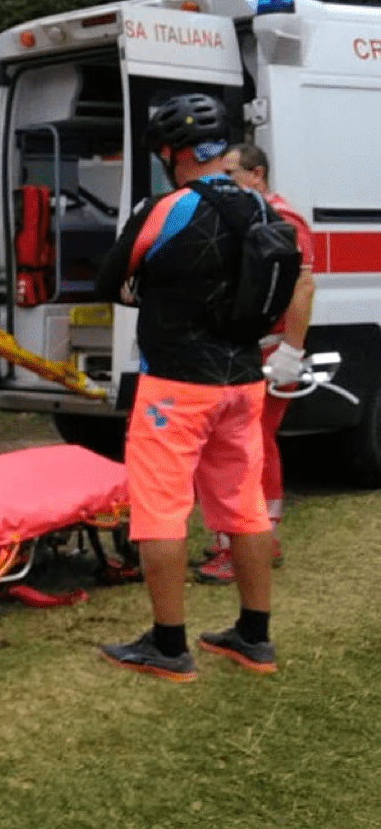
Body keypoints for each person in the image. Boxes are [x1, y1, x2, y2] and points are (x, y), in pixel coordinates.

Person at [92, 93, 277, 680]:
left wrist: (142, 290)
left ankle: (168, 646)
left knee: (162, 513)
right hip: (244, 381)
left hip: (175, 382)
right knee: (244, 507)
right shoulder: (263, 207)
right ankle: (254, 637)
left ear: (173, 154)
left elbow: (108, 279)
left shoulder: (167, 206)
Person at [194, 142, 314, 582]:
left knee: (251, 447)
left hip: (270, 348)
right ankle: (241, 539)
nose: (223, 182)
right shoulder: (249, 216)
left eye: (231, 173)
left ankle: (256, 543)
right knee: (237, 446)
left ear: (257, 174)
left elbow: (302, 287)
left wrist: (292, 351)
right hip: (246, 346)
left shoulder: (281, 218)